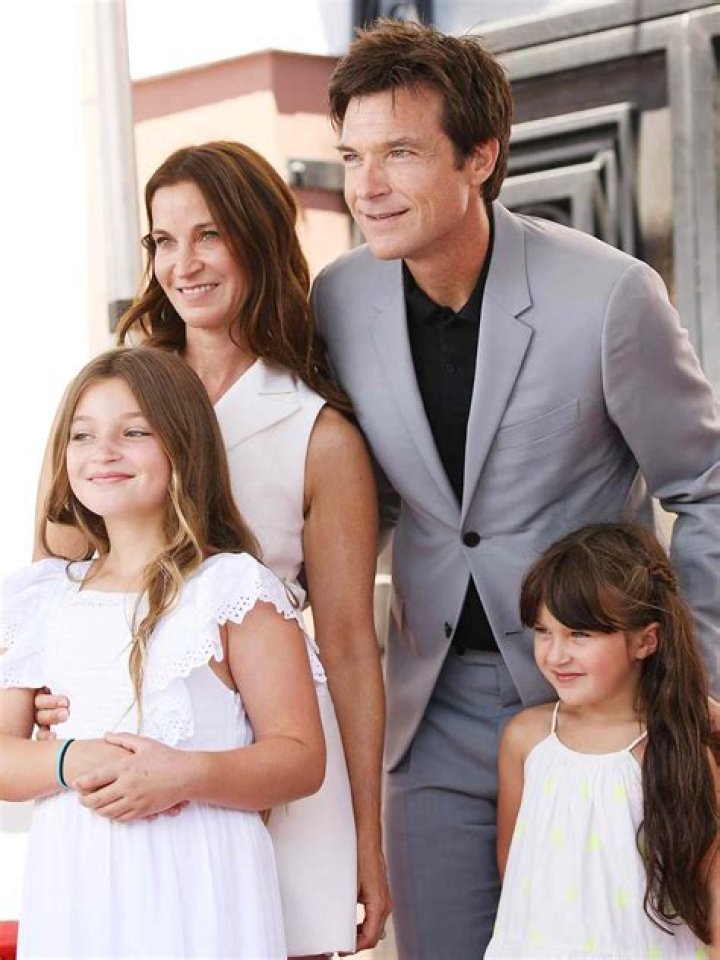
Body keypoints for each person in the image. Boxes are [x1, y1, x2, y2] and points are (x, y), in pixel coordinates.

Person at [311, 17, 720, 959]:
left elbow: (703, 484)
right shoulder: (337, 298)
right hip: (432, 708)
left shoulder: (610, 295)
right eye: (352, 157)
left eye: (400, 152)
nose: (366, 187)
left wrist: (697, 684)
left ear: (481, 155)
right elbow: (355, 497)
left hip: (605, 705)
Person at [34, 142, 390, 957]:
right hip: (123, 780)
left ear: (258, 238)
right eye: (163, 240)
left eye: (209, 235)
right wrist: (49, 688)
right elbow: (58, 570)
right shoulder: (117, 399)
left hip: (276, 756)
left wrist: (368, 835)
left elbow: (347, 646)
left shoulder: (320, 433)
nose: (183, 264)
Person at [1, 346, 326, 959]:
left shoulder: (232, 589)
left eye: (134, 432)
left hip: (200, 891)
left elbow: (301, 759)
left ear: (183, 445)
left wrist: (185, 775)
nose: (104, 452)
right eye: (83, 435)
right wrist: (72, 758)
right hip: (76, 893)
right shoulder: (42, 596)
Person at [485, 522, 719, 958]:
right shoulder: (526, 740)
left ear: (645, 641)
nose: (555, 654)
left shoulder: (672, 750)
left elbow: (713, 889)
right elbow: (515, 875)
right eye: (543, 631)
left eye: (580, 634)